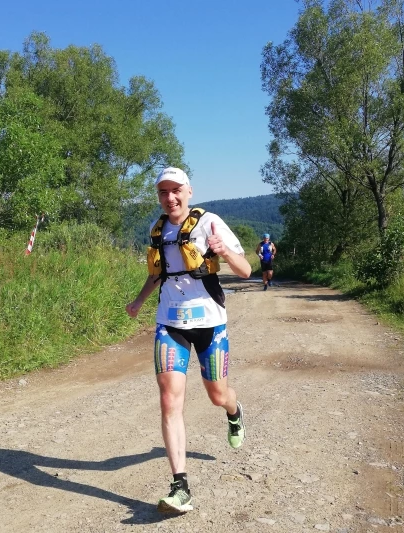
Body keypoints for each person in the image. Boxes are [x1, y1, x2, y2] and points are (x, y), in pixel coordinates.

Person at [126, 167, 252, 514]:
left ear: (189, 191)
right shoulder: (158, 230)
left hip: (210, 323)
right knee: (169, 400)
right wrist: (138, 302)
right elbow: (157, 275)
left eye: (176, 190)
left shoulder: (210, 222)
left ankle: (234, 410)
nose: (170, 198)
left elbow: (245, 271)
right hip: (170, 323)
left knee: (217, 395)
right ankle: (180, 486)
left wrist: (224, 251)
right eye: (163, 192)